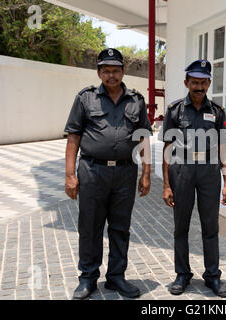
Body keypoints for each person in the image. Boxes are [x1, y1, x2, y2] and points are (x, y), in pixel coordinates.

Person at [64, 48, 152, 300]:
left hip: (125, 172)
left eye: (115, 70)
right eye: (106, 70)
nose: (111, 75)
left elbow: (143, 138)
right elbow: (73, 138)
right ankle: (88, 278)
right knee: (90, 226)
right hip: (92, 171)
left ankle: (116, 277)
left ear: (124, 71)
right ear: (99, 72)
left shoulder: (136, 100)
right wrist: (70, 175)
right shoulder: (85, 98)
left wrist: (146, 173)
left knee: (120, 227)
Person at [161, 59, 226, 298]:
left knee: (210, 227)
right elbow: (168, 149)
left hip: (209, 173)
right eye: (194, 82)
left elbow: (224, 148)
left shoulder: (218, 111)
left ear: (209, 83)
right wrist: (166, 185)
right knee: (181, 226)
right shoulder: (174, 110)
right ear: (186, 83)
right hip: (182, 170)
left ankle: (212, 276)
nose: (199, 86)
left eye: (203, 82)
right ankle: (182, 275)